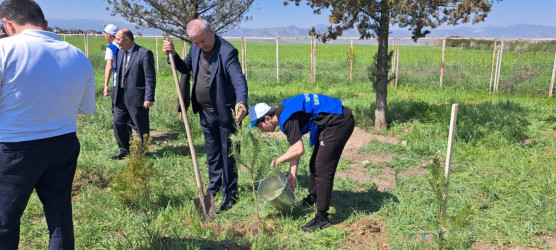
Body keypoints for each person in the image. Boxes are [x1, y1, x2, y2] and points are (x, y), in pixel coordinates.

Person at [0, 0, 95, 248]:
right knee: (60, 217)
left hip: (14, 147)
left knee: (5, 221)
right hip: (63, 143)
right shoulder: (77, 55)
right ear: (45, 24)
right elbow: (86, 108)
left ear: (7, 24)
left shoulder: (5, 50)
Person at [162, 19, 248, 212]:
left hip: (226, 113)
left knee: (229, 154)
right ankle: (213, 186)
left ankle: (230, 193)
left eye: (202, 41)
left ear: (212, 30)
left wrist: (241, 102)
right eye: (196, 42)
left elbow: (238, 78)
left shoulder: (227, 51)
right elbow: (185, 68)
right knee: (212, 152)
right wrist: (173, 55)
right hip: (204, 111)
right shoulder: (195, 48)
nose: (200, 46)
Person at [249, 93, 355, 232]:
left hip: (338, 122)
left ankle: (322, 218)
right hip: (331, 122)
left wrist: (277, 161)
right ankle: (313, 198)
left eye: (259, 126)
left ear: (267, 118)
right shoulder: (284, 112)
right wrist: (292, 174)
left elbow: (299, 149)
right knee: (315, 164)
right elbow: (295, 148)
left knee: (323, 169)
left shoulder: (286, 119)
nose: (261, 131)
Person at [110, 28, 156, 159]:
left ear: (126, 39)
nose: (116, 42)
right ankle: (124, 149)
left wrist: (149, 97)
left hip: (137, 97)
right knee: (118, 123)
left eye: (118, 39)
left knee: (140, 125)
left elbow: (150, 78)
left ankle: (143, 151)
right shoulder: (119, 53)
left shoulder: (144, 53)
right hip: (120, 96)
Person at [101, 23, 119, 97]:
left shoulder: (111, 48)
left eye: (105, 33)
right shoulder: (124, 45)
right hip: (130, 81)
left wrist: (106, 86)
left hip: (117, 81)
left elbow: (109, 67)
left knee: (117, 107)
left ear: (109, 34)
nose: (104, 36)